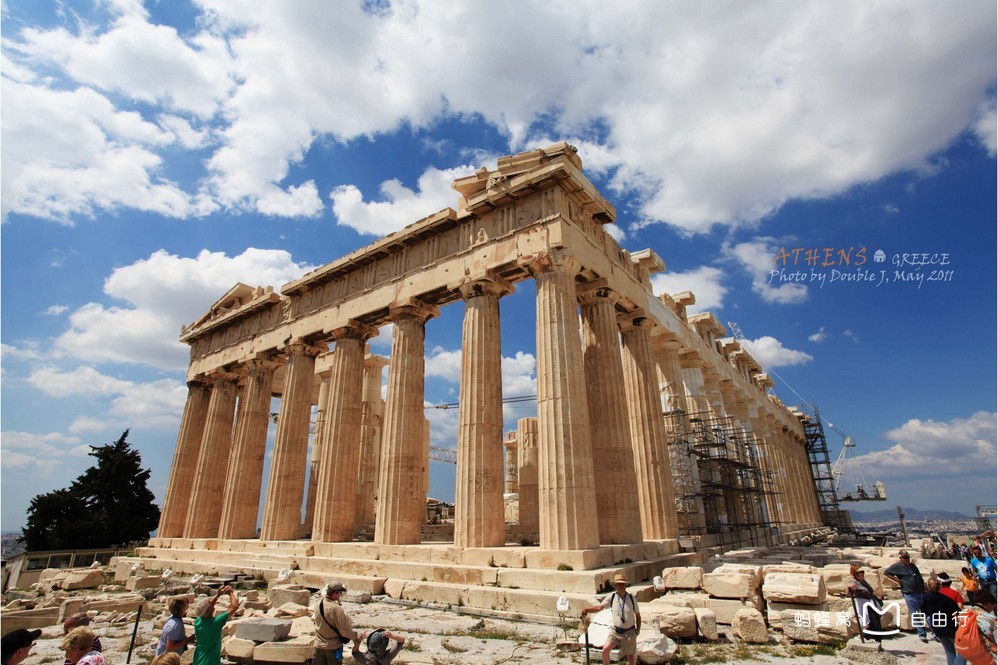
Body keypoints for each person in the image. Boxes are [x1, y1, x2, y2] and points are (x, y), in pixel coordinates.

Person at [581, 574, 642, 665]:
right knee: (605, 650)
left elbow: (638, 615)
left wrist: (637, 631)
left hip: (629, 632)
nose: (621, 586)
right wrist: (587, 610)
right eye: (619, 584)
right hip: (616, 632)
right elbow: (599, 608)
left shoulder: (631, 598)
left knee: (631, 659)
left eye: (623, 584)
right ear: (615, 586)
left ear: (625, 585)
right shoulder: (612, 597)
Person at [884, 550, 930, 642]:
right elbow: (886, 572)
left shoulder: (913, 566)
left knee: (927, 614)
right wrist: (897, 581)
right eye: (904, 557)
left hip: (921, 592)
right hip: (910, 593)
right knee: (915, 614)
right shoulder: (897, 566)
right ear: (900, 558)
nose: (906, 559)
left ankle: (935, 632)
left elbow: (919, 577)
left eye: (907, 557)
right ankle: (921, 633)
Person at [313, 581, 360, 665]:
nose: (340, 595)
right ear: (336, 593)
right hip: (333, 647)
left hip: (318, 646)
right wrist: (356, 639)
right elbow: (345, 630)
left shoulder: (318, 602)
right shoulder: (336, 608)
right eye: (340, 593)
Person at [919, 578, 962, 665]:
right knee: (963, 651)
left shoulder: (924, 598)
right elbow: (956, 610)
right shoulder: (945, 599)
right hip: (950, 627)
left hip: (937, 627)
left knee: (949, 652)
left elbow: (924, 610)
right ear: (940, 587)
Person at [193, 585, 239, 665]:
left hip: (198, 660)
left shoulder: (198, 622)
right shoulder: (215, 623)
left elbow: (207, 607)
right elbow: (234, 607)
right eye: (210, 603)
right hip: (209, 662)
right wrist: (230, 593)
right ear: (210, 610)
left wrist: (218, 595)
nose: (212, 602)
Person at [847, 564, 884, 651]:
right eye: (861, 572)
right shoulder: (853, 581)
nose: (863, 573)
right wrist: (849, 587)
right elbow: (848, 589)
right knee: (874, 624)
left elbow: (870, 590)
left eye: (863, 572)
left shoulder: (863, 581)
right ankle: (870, 638)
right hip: (864, 605)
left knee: (875, 623)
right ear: (856, 573)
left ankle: (870, 638)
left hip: (871, 603)